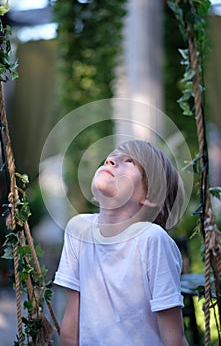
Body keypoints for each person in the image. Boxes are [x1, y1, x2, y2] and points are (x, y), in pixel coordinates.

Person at [54, 139, 189, 346]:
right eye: (112, 157)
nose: (110, 160)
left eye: (129, 161)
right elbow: (71, 322)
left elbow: (174, 339)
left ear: (150, 196)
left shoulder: (152, 239)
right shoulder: (78, 229)